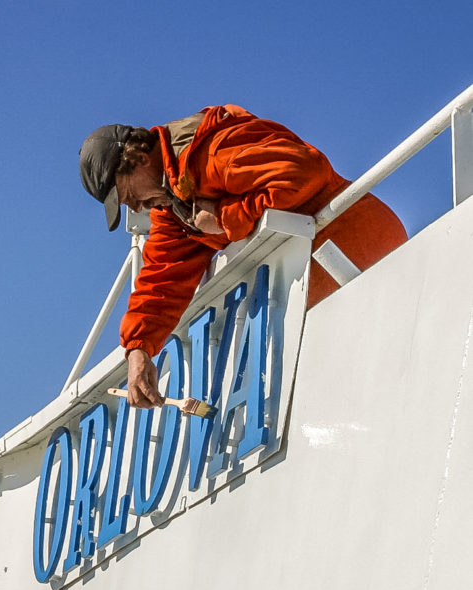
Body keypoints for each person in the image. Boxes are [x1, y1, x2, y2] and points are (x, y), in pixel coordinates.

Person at [79, 105, 407, 408]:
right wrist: (138, 350)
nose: (135, 207)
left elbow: (302, 173)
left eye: (126, 194)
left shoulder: (213, 146)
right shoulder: (174, 209)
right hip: (322, 303)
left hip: (368, 262)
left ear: (137, 158)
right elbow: (161, 280)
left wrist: (224, 217)